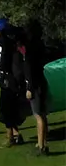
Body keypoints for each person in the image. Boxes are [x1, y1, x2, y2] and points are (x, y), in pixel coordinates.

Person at [0, 19, 26, 147]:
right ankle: (16, 134)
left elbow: (1, 62)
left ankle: (9, 136)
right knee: (9, 108)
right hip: (12, 79)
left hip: (6, 80)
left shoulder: (1, 43)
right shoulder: (10, 42)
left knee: (6, 109)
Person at [22, 20, 50, 156]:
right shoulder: (40, 45)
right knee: (43, 114)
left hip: (35, 84)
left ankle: (41, 147)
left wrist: (28, 87)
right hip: (41, 81)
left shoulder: (30, 49)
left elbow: (29, 69)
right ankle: (43, 143)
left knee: (38, 115)